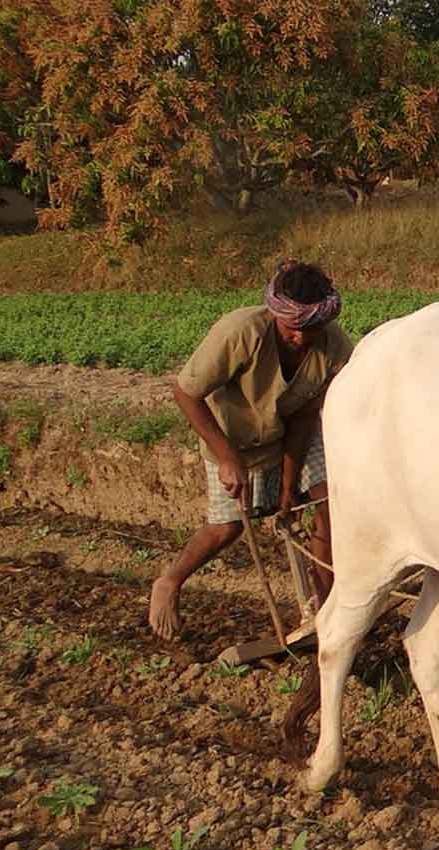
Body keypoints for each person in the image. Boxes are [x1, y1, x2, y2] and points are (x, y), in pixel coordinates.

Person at [148, 260, 353, 641]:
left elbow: (306, 417)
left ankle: (326, 612)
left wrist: (289, 487)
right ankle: (170, 581)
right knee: (226, 528)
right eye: (293, 329)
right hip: (232, 439)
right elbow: (186, 394)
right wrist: (227, 457)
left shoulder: (335, 347)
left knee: (328, 504)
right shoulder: (239, 332)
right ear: (276, 314)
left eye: (312, 330)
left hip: (293, 432)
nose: (302, 338)